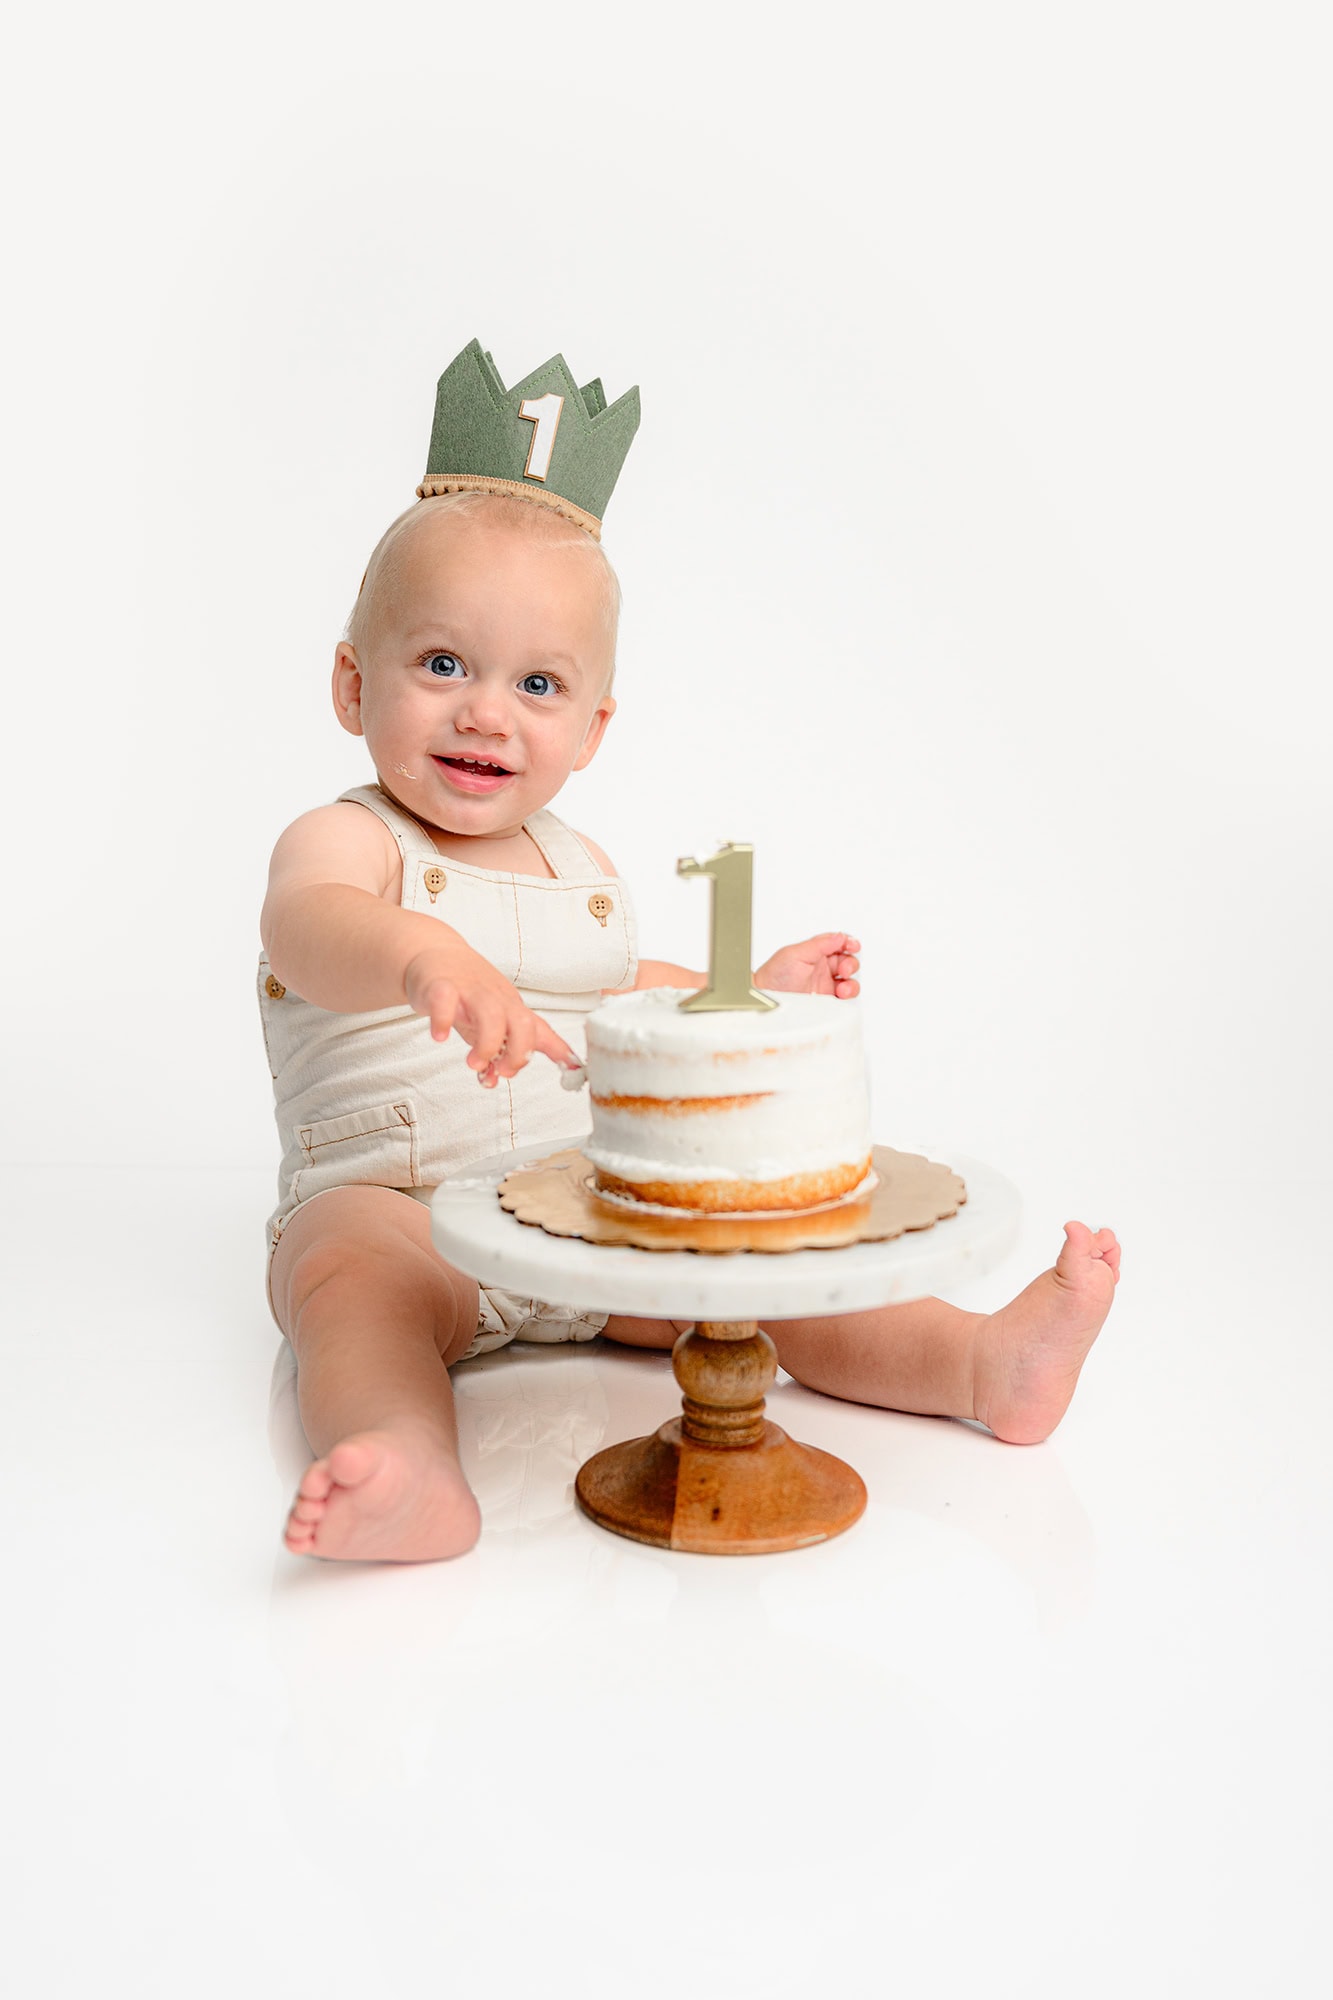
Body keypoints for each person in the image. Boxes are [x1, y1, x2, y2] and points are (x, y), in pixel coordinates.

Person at [261, 347, 1120, 1564]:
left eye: (538, 682)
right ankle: (405, 1467)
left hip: (572, 1208)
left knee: (752, 1293)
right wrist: (413, 955)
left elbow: (625, 992)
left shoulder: (575, 865)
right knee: (351, 1301)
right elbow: (304, 928)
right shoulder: (345, 842)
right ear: (354, 682)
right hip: (393, 1212)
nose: (484, 711)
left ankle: (977, 1359)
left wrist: (745, 987)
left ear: (593, 727)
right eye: (441, 663)